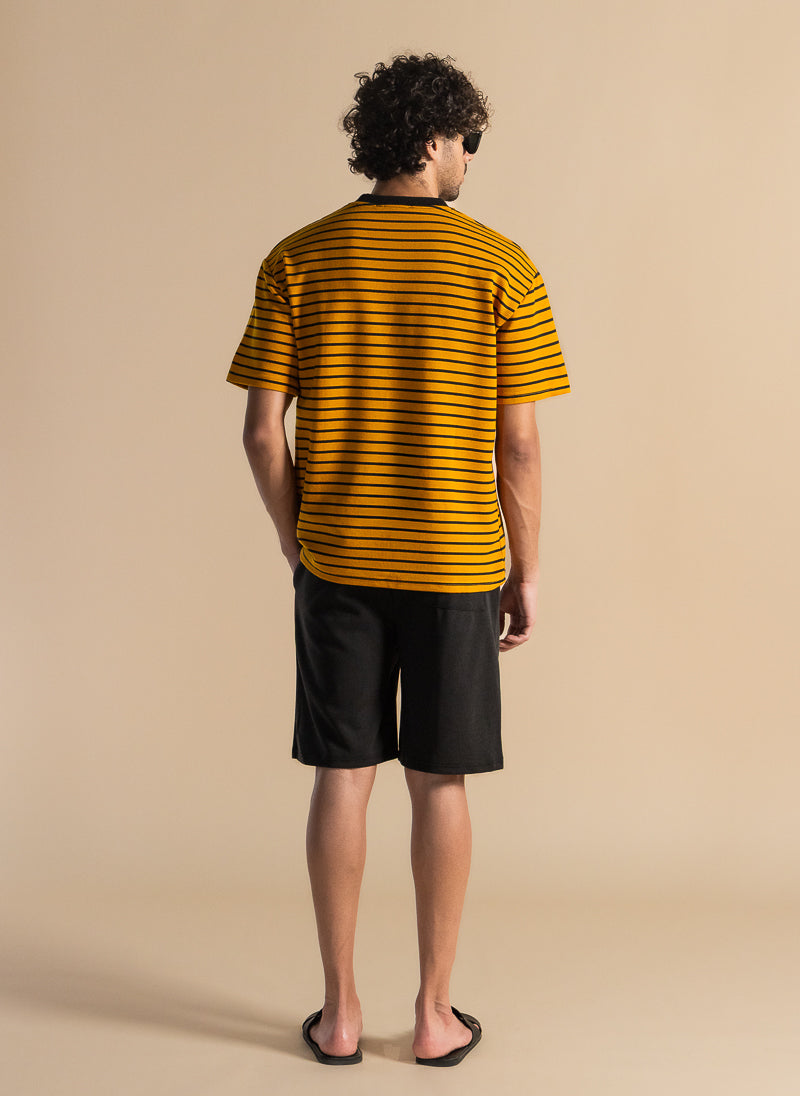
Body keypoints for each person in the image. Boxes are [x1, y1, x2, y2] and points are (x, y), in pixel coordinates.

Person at [225, 52, 570, 1068]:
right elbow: (518, 445)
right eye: (468, 140)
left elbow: (260, 432)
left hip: (337, 563)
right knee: (439, 780)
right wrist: (526, 571)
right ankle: (432, 1015)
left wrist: (297, 539)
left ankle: (337, 1015)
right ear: (430, 140)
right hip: (456, 565)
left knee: (341, 776)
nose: (470, 158)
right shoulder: (501, 265)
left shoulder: (297, 258)